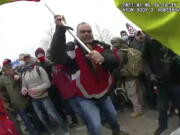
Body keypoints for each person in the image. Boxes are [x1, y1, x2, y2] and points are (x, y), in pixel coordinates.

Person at [50, 15, 129, 135]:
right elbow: (56, 56)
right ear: (76, 33)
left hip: (103, 93)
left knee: (113, 115)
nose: (86, 34)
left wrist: (103, 57)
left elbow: (115, 60)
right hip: (84, 97)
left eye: (89, 31)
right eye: (82, 32)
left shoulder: (100, 46)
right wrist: (60, 30)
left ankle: (116, 131)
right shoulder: (72, 50)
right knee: (95, 125)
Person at [21, 55, 70, 135]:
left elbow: (47, 83)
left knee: (54, 115)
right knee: (42, 118)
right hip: (34, 100)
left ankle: (65, 130)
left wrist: (36, 89)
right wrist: (23, 90)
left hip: (44, 97)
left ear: (31, 59)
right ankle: (51, 131)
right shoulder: (24, 74)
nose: (27, 61)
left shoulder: (39, 69)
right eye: (25, 60)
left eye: (28, 59)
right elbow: (24, 85)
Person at [142, 38, 180, 135]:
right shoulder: (149, 39)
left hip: (176, 80)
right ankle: (162, 126)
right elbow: (144, 58)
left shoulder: (173, 33)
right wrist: (149, 73)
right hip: (160, 81)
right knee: (162, 107)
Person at [0, 59, 39, 135]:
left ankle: (40, 129)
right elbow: (1, 91)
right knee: (26, 121)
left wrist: (19, 78)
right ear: (5, 70)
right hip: (17, 104)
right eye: (8, 68)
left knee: (34, 116)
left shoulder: (16, 73)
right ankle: (34, 133)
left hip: (25, 99)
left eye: (10, 67)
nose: (10, 69)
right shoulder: (2, 79)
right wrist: (6, 101)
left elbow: (25, 83)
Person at [111, 37, 144, 118]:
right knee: (138, 92)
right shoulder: (129, 49)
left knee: (131, 94)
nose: (113, 45)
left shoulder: (121, 52)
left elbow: (119, 65)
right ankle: (141, 107)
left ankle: (137, 110)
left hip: (128, 75)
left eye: (113, 43)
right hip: (136, 74)